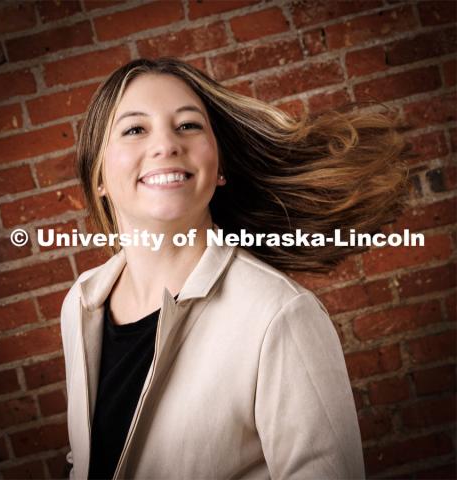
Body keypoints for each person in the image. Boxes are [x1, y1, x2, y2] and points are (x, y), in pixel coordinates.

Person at [60, 57, 410, 480]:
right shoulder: (82, 303)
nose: (167, 144)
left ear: (219, 165)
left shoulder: (278, 314)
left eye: (188, 125)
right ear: (98, 174)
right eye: (135, 129)